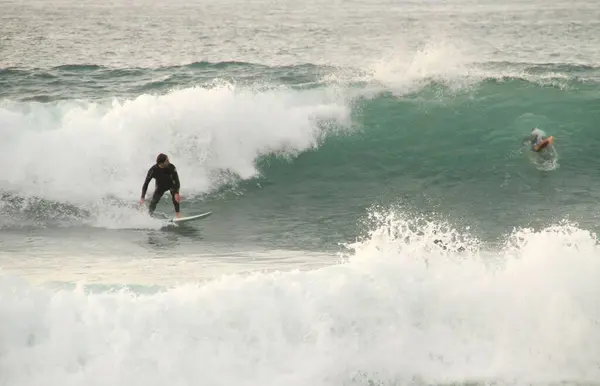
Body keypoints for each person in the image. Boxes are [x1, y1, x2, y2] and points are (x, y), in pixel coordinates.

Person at [140, 153, 181, 218]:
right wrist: (142, 197)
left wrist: (176, 192)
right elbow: (146, 183)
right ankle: (149, 216)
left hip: (171, 185)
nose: (168, 162)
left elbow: (177, 180)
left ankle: (178, 215)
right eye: (167, 161)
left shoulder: (171, 167)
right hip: (160, 187)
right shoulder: (153, 170)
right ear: (161, 163)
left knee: (175, 198)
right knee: (154, 201)